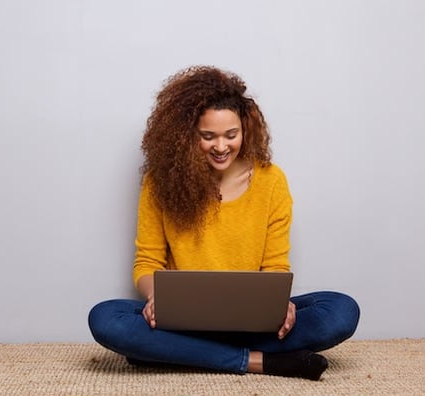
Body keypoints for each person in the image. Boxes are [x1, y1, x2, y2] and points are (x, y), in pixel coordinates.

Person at [88, 66, 360, 381]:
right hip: (180, 320)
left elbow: (275, 265)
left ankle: (179, 353)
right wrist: (155, 297)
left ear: (246, 130)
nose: (221, 147)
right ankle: (260, 362)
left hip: (253, 322)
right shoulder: (159, 182)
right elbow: (147, 262)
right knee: (106, 318)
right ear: (187, 135)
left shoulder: (271, 181)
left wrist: (279, 304)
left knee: (340, 310)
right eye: (208, 136)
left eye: (231, 135)